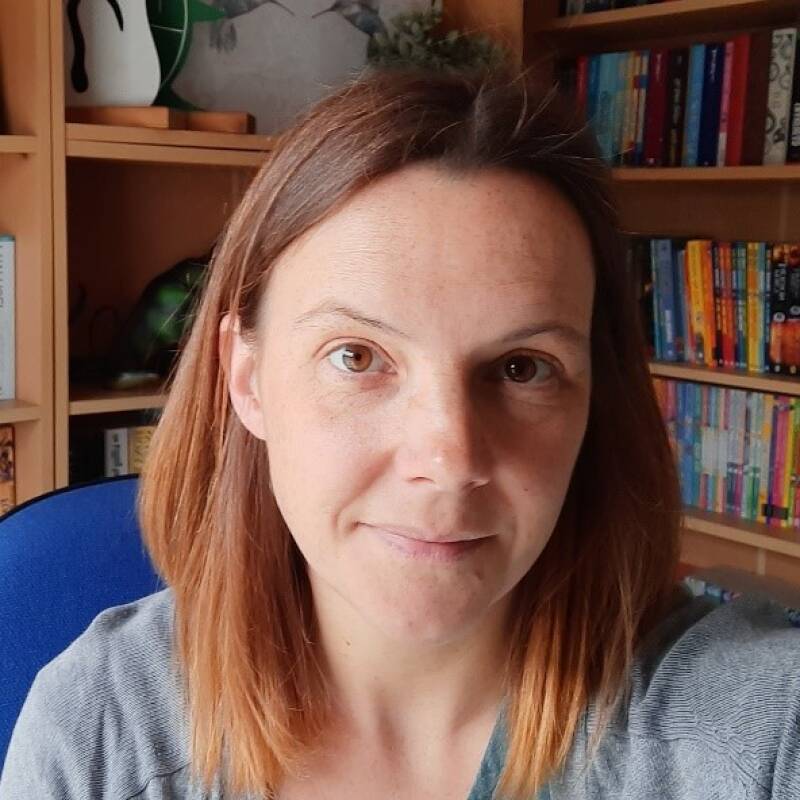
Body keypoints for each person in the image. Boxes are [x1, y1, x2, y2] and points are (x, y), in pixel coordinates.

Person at [2, 66, 799, 800]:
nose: (450, 460)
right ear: (246, 379)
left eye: (523, 368)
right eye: (357, 356)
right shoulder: (99, 736)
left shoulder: (758, 738)